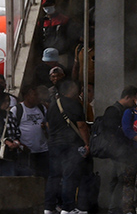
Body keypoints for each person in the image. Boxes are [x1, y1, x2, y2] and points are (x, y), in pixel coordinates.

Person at [47, 79, 91, 214]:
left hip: (54, 144)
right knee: (69, 177)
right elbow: (82, 126)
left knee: (54, 176)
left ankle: (48, 207)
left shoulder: (53, 105)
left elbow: (47, 125)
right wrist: (87, 143)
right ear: (71, 90)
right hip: (71, 145)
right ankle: (67, 208)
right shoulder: (75, 105)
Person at [96, 86, 137, 214]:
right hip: (118, 152)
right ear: (127, 97)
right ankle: (114, 207)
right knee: (121, 179)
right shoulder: (114, 111)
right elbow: (111, 133)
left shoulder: (123, 110)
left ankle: (112, 206)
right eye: (134, 99)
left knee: (116, 179)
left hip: (119, 151)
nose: (135, 102)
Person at [11, 84, 50, 182]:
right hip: (26, 152)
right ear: (26, 96)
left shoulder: (42, 108)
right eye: (34, 95)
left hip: (42, 150)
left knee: (43, 178)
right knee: (27, 179)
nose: (37, 97)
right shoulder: (17, 110)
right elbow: (11, 130)